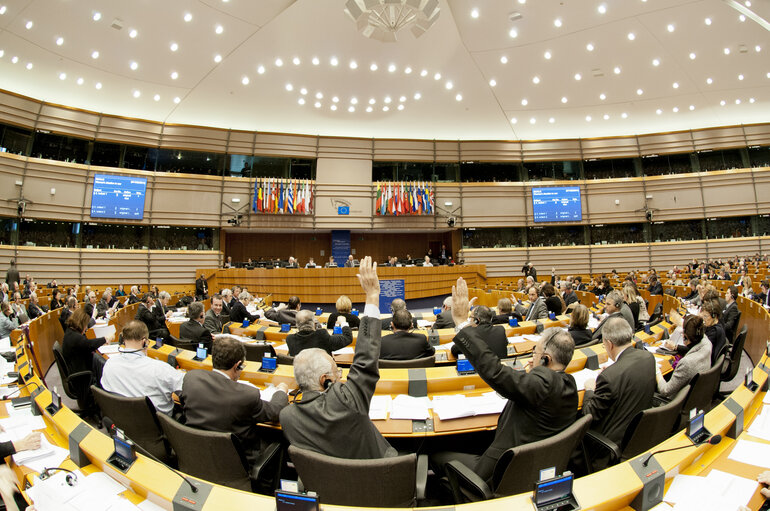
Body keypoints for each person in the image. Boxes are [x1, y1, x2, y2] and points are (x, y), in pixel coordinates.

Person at [432, 276, 578, 482]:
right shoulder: (569, 384)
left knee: (434, 452)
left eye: (535, 354)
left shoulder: (540, 384)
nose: (532, 358)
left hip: (500, 470)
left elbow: (494, 370)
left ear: (546, 359)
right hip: (531, 464)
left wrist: (462, 324)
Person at [280, 256, 397, 459]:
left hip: (324, 484)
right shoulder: (348, 402)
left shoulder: (287, 416)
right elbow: (365, 359)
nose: (341, 376)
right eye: (337, 372)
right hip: (377, 478)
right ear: (324, 380)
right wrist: (372, 296)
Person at [180, 336, 289, 468]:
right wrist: (281, 391)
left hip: (197, 456)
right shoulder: (247, 395)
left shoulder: (191, 378)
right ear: (237, 365)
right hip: (236, 464)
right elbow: (275, 411)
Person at [581, 317, 656, 467]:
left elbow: (589, 414)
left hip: (609, 447)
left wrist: (590, 389)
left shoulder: (609, 377)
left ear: (609, 344)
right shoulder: (648, 358)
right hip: (639, 435)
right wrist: (613, 369)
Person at [101, 320, 185, 416]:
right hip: (159, 425)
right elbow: (187, 389)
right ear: (145, 342)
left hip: (122, 420)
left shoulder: (109, 364)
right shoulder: (160, 369)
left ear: (123, 339)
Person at [657, 315, 711, 400]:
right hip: (695, 397)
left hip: (676, 403)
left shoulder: (687, 363)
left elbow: (665, 391)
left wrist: (657, 371)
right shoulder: (707, 343)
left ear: (685, 336)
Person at [62, 308, 114, 376]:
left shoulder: (70, 331)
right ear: (81, 323)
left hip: (77, 365)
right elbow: (89, 344)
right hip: (81, 373)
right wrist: (105, 339)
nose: (86, 327)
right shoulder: (76, 337)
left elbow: (86, 344)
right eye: (86, 325)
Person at [285, 310, 352, 357]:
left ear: (297, 325)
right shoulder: (321, 335)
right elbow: (347, 338)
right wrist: (343, 323)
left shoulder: (290, 339)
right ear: (314, 323)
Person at [700, 298, 726, 366]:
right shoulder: (714, 326)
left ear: (714, 316)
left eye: (705, 316)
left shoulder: (714, 332)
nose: (704, 320)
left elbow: (700, 348)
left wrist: (676, 347)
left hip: (707, 363)